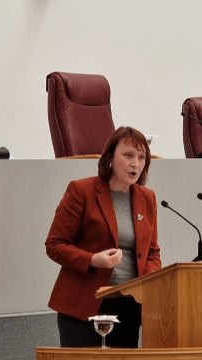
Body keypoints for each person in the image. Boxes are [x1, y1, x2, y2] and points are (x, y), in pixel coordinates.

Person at [45, 126, 161, 348]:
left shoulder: (147, 198)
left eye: (141, 157)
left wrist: (149, 281)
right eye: (128, 155)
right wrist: (92, 260)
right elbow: (54, 245)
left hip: (128, 306)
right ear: (110, 156)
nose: (135, 163)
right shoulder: (81, 190)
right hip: (84, 306)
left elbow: (152, 251)